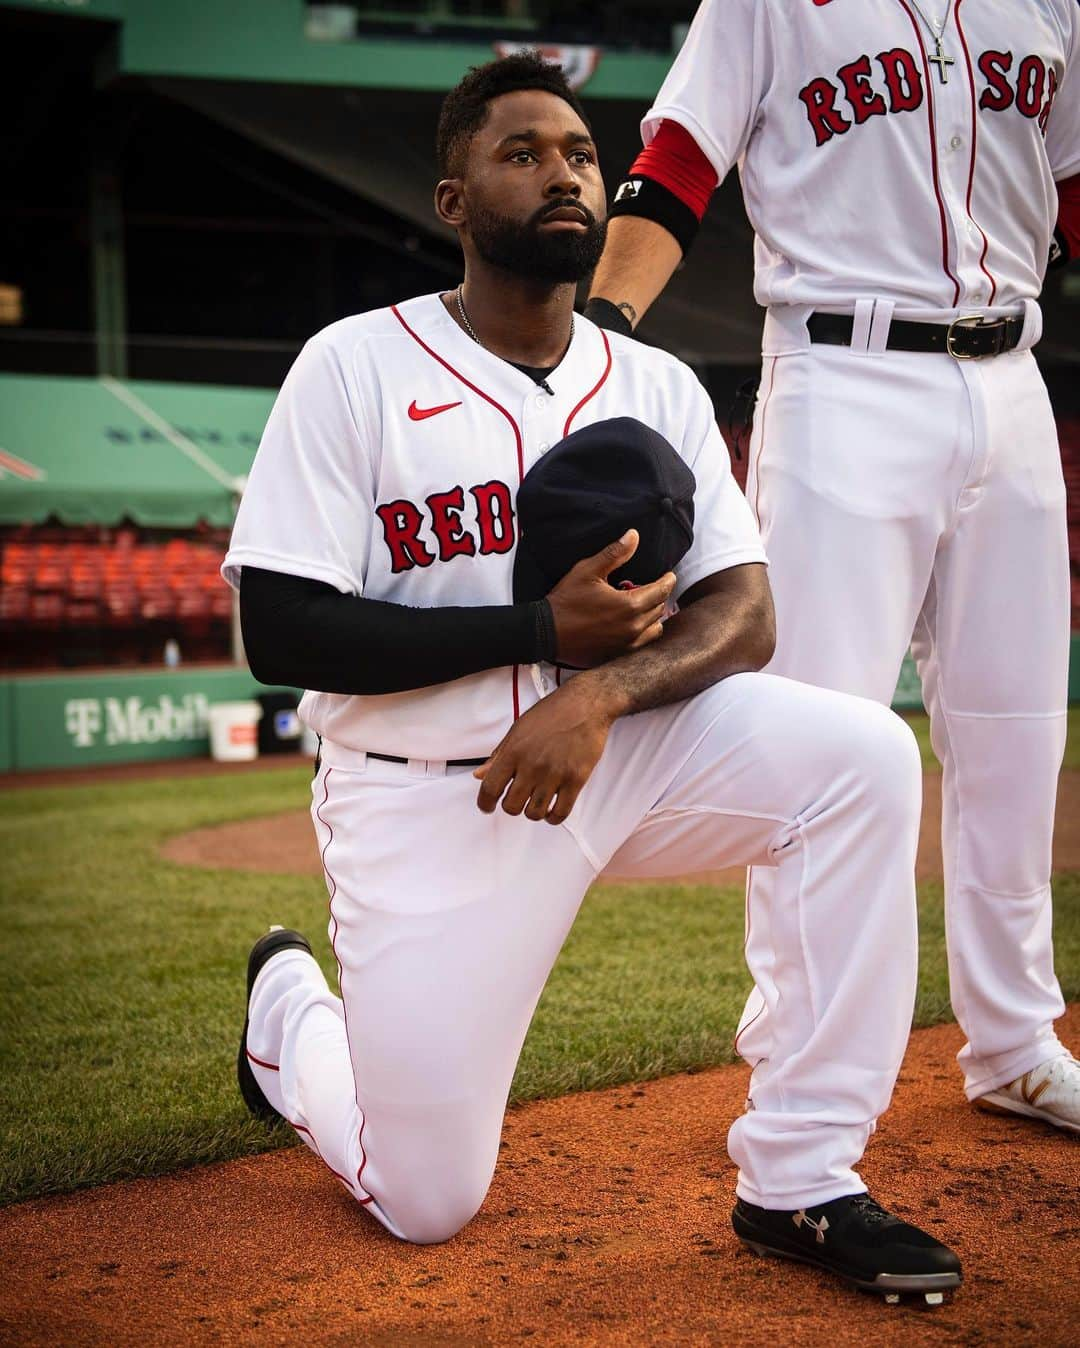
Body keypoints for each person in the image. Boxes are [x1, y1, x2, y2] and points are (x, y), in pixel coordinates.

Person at [223, 54, 962, 1302]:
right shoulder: (353, 365)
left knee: (865, 758)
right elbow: (279, 629)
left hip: (625, 757)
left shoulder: (657, 381)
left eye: (578, 153)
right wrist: (535, 638)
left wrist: (600, 692)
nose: (565, 172)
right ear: (454, 199)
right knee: (425, 1200)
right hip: (430, 796)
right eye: (524, 153)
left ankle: (802, 1176)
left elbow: (748, 610)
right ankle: (290, 1010)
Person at [586, 0, 1080, 1136]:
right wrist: (602, 336)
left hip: (1013, 382)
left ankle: (1013, 1041)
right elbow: (676, 165)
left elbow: (1071, 176)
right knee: (815, 738)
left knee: (1017, 740)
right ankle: (797, 1051)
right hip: (843, 376)